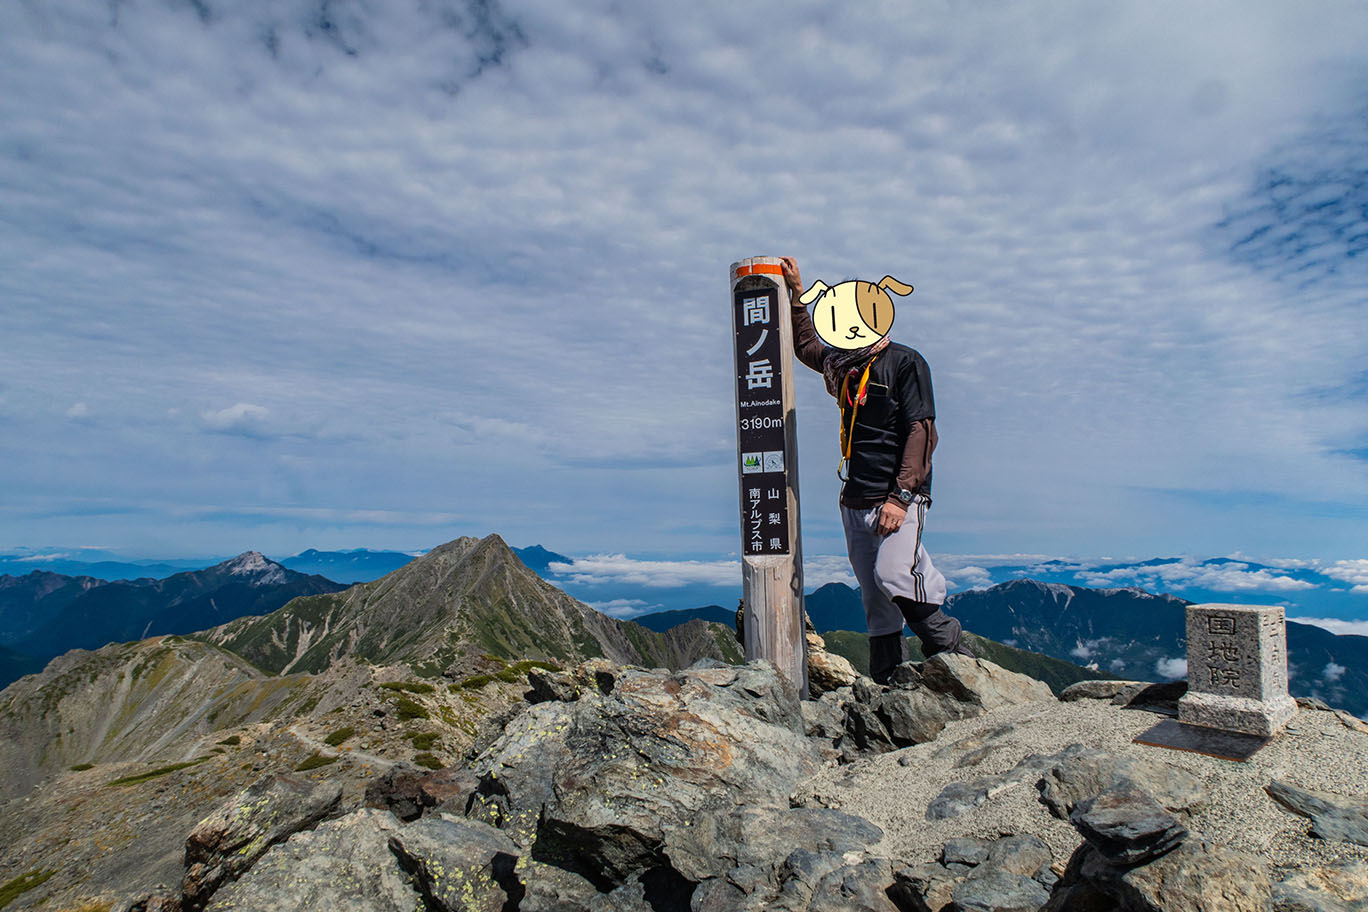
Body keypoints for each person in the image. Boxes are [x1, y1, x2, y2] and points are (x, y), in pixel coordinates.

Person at [779, 255, 972, 685]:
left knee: (894, 574)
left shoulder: (905, 362)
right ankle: (887, 679)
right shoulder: (844, 364)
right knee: (874, 595)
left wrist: (900, 497)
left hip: (896, 497)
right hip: (855, 496)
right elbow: (806, 346)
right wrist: (796, 293)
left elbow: (921, 431)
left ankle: (952, 648)